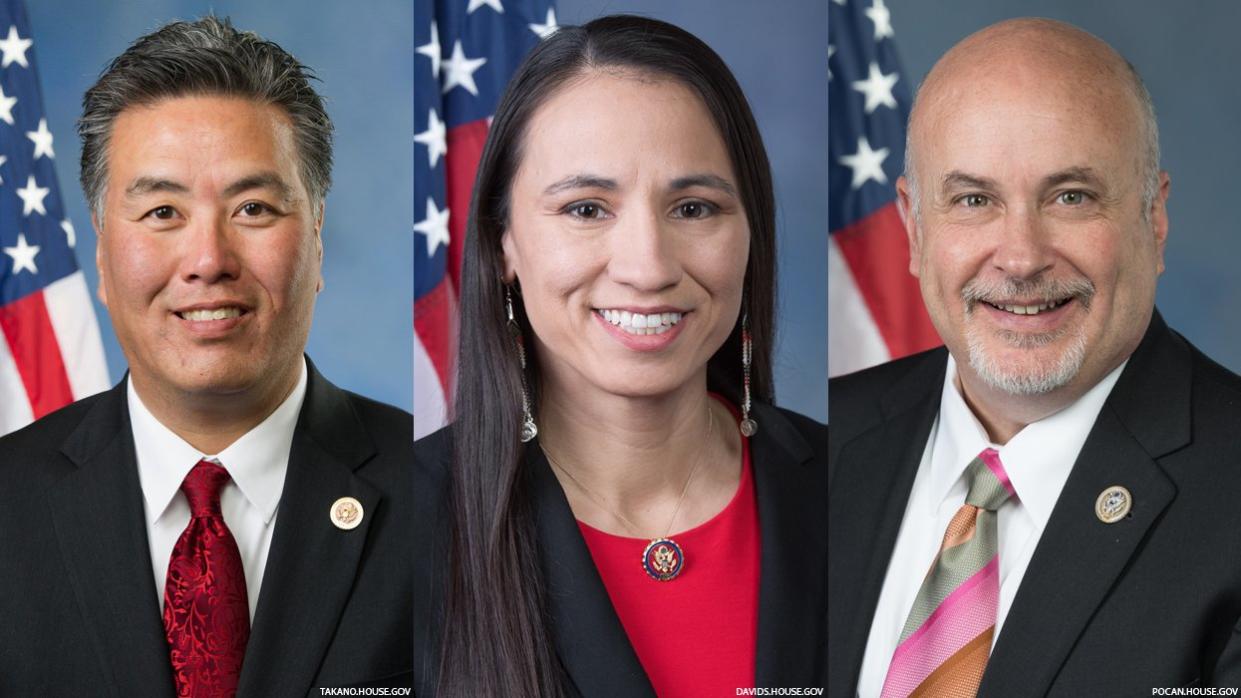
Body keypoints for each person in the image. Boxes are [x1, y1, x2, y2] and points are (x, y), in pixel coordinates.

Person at [413, 15, 827, 698]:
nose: (647, 266)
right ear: (504, 244)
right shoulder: (402, 529)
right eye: (585, 209)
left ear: (751, 232)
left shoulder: (860, 493)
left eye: (693, 209)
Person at [828, 17, 1241, 697]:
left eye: (1070, 197)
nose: (1019, 257)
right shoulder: (814, 452)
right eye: (973, 199)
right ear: (911, 226)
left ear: (1154, 219)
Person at [0, 17, 411, 695]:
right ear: (101, 254)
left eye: (252, 208)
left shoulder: (443, 495)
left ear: (315, 241)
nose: (209, 261)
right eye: (162, 212)